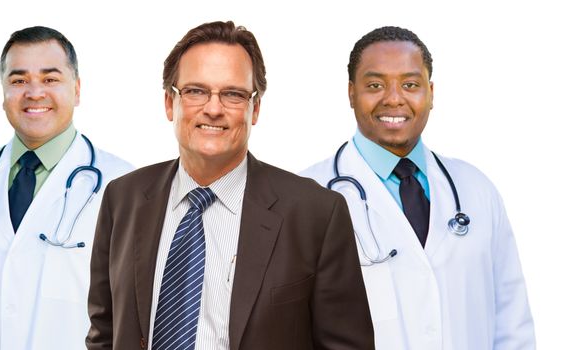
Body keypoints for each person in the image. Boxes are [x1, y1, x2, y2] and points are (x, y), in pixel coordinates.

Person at [86, 20, 374, 350]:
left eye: (233, 94)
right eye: (195, 91)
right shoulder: (122, 199)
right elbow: (104, 332)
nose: (213, 109)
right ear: (170, 102)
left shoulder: (316, 214)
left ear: (255, 109)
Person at [300, 26, 535, 349]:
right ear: (351, 93)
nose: (394, 98)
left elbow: (513, 324)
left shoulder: (477, 191)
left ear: (431, 92)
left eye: (410, 84)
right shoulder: (307, 197)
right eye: (375, 85)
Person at [0, 26, 133, 349]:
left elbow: (137, 316)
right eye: (18, 81)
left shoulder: (123, 188)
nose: (34, 92)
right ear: (3, 94)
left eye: (50, 79)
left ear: (77, 89)